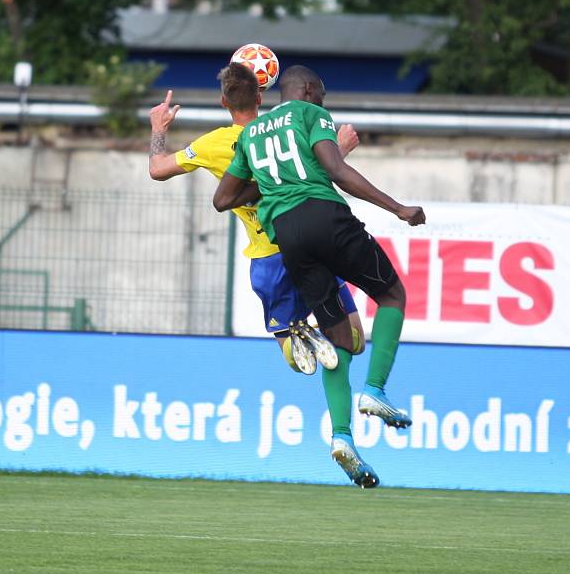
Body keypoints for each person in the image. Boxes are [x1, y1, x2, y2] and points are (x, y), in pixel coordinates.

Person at [213, 65, 426, 488]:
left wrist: (273, 185)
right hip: (324, 217)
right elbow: (337, 170)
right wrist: (398, 208)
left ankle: (342, 436)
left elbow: (223, 199)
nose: (323, 103)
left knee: (341, 339)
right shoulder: (310, 115)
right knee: (392, 294)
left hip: (287, 238)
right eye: (322, 96)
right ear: (309, 90)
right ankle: (376, 390)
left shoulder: (251, 135)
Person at [148, 65, 365, 375]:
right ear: (260, 98)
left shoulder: (212, 144)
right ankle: (319, 331)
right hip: (310, 242)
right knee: (353, 340)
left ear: (224, 102)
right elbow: (317, 171)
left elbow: (157, 169)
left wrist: (159, 127)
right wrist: (340, 149)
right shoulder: (281, 131)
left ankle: (304, 334)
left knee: (296, 361)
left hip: (268, 258)